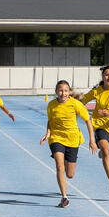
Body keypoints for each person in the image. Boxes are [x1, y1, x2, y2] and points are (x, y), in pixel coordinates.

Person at [40, 80, 96, 208]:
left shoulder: (75, 104)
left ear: (69, 92)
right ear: (56, 92)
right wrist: (48, 133)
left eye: (65, 90)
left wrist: (92, 140)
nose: (63, 93)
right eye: (60, 90)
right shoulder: (51, 105)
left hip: (72, 139)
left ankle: (65, 159)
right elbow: (50, 121)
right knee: (59, 166)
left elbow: (88, 121)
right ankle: (64, 197)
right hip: (56, 138)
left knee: (70, 174)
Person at [80, 65, 109, 196]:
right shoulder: (97, 91)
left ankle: (105, 155)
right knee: (106, 152)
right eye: (107, 75)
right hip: (100, 126)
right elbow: (81, 102)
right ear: (102, 76)